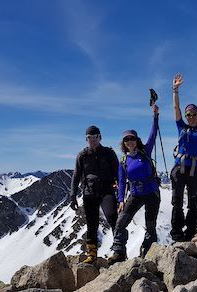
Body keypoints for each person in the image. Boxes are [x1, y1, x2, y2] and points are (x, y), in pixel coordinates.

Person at [107, 104, 161, 264]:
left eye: (132, 138)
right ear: (123, 143)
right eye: (126, 139)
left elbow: (153, 134)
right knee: (120, 223)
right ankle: (119, 252)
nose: (129, 141)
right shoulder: (123, 161)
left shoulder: (146, 152)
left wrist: (156, 116)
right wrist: (121, 200)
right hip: (136, 194)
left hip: (152, 192)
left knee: (150, 225)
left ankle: (147, 253)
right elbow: (122, 182)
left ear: (137, 140)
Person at [170, 73, 197, 241]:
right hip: (179, 167)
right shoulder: (181, 127)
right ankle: (177, 232)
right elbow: (176, 109)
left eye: (193, 114)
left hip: (194, 168)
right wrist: (175, 90)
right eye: (188, 114)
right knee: (177, 201)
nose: (190, 117)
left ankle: (191, 231)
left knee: (193, 200)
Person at [70, 125, 119, 264]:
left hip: (106, 190)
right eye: (89, 138)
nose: (92, 140)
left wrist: (121, 190)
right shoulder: (82, 155)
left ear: (100, 137)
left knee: (112, 217)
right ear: (86, 139)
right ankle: (92, 255)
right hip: (89, 193)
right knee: (92, 224)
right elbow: (76, 175)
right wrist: (73, 195)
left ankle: (119, 251)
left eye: (95, 137)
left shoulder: (109, 153)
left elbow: (117, 172)